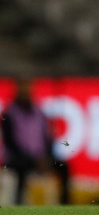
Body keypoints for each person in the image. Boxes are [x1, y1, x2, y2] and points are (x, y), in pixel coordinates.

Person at [0, 77, 70, 205]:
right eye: (23, 89)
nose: (26, 92)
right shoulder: (9, 114)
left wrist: (46, 157)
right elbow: (10, 143)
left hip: (40, 158)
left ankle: (65, 204)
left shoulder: (39, 113)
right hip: (19, 158)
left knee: (63, 166)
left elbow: (48, 139)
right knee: (20, 168)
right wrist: (32, 159)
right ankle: (18, 203)